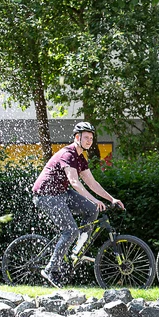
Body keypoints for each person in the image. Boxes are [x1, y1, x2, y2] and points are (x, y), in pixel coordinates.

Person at [31, 121, 124, 285]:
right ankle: (50, 269)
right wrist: (95, 199)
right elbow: (74, 181)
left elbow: (92, 182)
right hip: (46, 195)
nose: (89, 141)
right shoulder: (68, 154)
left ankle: (78, 248)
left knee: (91, 210)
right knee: (70, 230)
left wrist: (111, 199)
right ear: (77, 137)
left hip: (61, 193)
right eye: (86, 137)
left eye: (91, 138)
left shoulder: (81, 158)